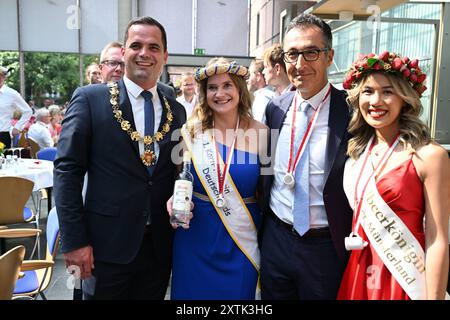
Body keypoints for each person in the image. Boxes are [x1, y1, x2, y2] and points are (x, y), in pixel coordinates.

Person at [53, 16, 186, 300]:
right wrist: (75, 241)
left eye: (153, 47)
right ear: (123, 52)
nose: (144, 53)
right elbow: (67, 171)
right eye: (136, 45)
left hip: (159, 248)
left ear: (164, 55)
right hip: (105, 249)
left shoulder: (177, 111)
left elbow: (176, 171)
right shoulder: (91, 99)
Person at [337, 51, 449, 300]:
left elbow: (438, 239)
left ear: (405, 99)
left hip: (405, 279)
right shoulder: (356, 154)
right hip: (358, 273)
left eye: (387, 92)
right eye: (368, 91)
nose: (376, 101)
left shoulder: (429, 156)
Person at [260, 13, 353, 300]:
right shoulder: (275, 108)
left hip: (325, 246)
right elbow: (265, 172)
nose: (300, 65)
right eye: (292, 54)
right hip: (276, 239)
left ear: (329, 56)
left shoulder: (352, 112)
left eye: (311, 52)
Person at [168, 57, 268, 299]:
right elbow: (177, 180)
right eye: (212, 87)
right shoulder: (190, 131)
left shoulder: (262, 133)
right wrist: (172, 200)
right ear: (204, 93)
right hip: (195, 236)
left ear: (239, 90)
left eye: (227, 86)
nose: (219, 93)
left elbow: (268, 190)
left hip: (240, 237)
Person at [0, 66, 32, 148]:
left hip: (2, 135)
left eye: (2, 75)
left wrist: (17, 127)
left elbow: (28, 111)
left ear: (5, 77)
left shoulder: (11, 93)